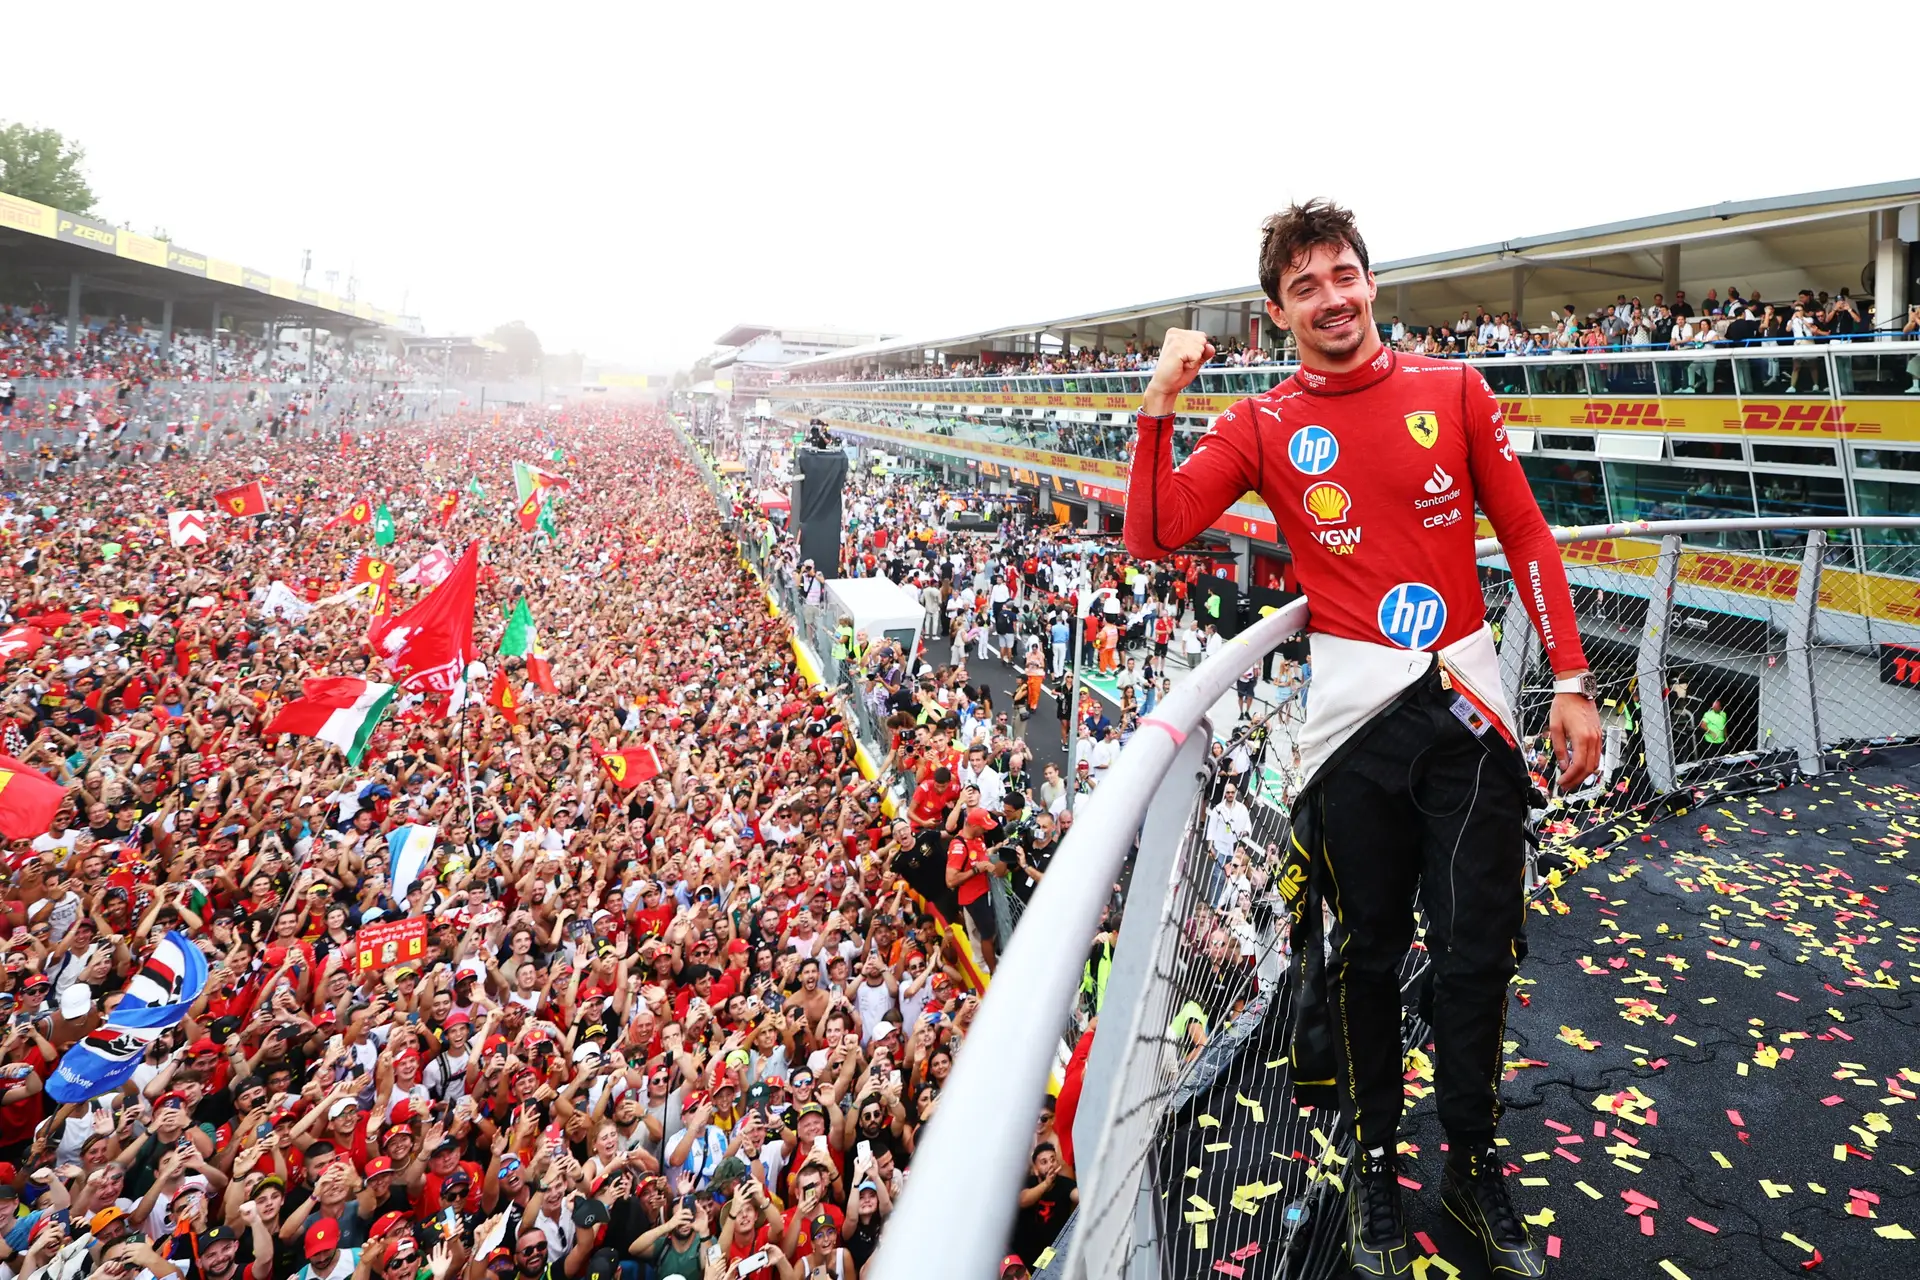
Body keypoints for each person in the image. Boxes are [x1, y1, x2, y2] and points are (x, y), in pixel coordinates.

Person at [1122, 199, 1600, 1276]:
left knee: (1478, 954)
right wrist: (1160, 399)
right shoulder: (1261, 421)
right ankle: (1377, 1158)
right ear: (1277, 308)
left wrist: (1571, 675)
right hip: (1350, 734)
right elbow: (1154, 530)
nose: (1331, 297)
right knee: (1365, 959)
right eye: (1306, 285)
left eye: (1344, 274)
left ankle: (1473, 1158)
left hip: (1469, 714)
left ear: (1372, 283)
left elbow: (1524, 529)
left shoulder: (1454, 388)